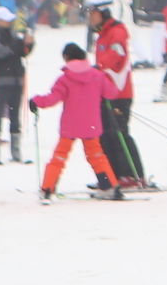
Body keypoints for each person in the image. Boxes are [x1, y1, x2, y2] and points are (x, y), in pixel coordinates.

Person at [32, 43, 116, 200]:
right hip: (91, 124)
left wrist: (36, 101)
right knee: (97, 156)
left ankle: (48, 188)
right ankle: (109, 186)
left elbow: (52, 99)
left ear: (66, 58)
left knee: (59, 157)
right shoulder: (97, 76)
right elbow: (111, 93)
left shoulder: (65, 78)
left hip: (70, 125)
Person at [90, 0, 148, 188]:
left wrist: (97, 68)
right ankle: (113, 175)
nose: (90, 18)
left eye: (93, 13)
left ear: (103, 13)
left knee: (119, 134)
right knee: (105, 135)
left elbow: (116, 57)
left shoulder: (117, 32)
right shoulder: (102, 36)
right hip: (105, 94)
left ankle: (133, 175)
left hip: (119, 94)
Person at [0, 12, 28, 164]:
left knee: (15, 117)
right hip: (0, 81)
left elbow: (21, 52)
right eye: (6, 20)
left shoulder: (14, 36)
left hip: (16, 80)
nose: (9, 23)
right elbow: (2, 53)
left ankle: (16, 152)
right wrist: (17, 46)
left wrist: (28, 44)